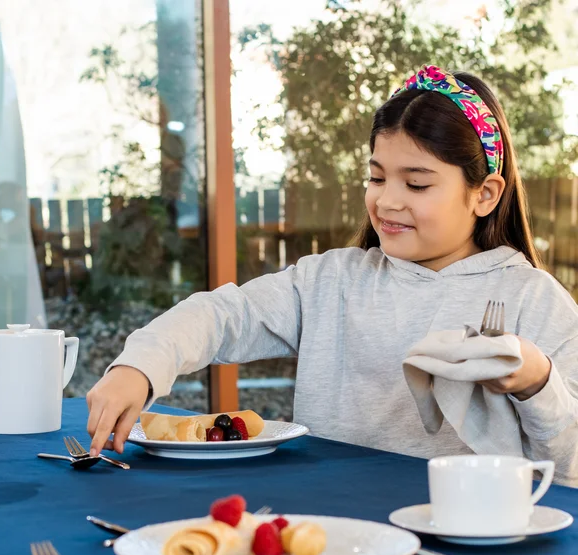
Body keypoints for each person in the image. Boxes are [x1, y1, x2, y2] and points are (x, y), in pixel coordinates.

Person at [85, 65, 578, 485]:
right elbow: (223, 314)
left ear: (485, 195)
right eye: (377, 177)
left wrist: (537, 382)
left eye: (417, 182)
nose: (387, 200)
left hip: (461, 542)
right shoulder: (332, 280)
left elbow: (571, 468)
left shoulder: (534, 301)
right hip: (329, 532)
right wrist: (140, 366)